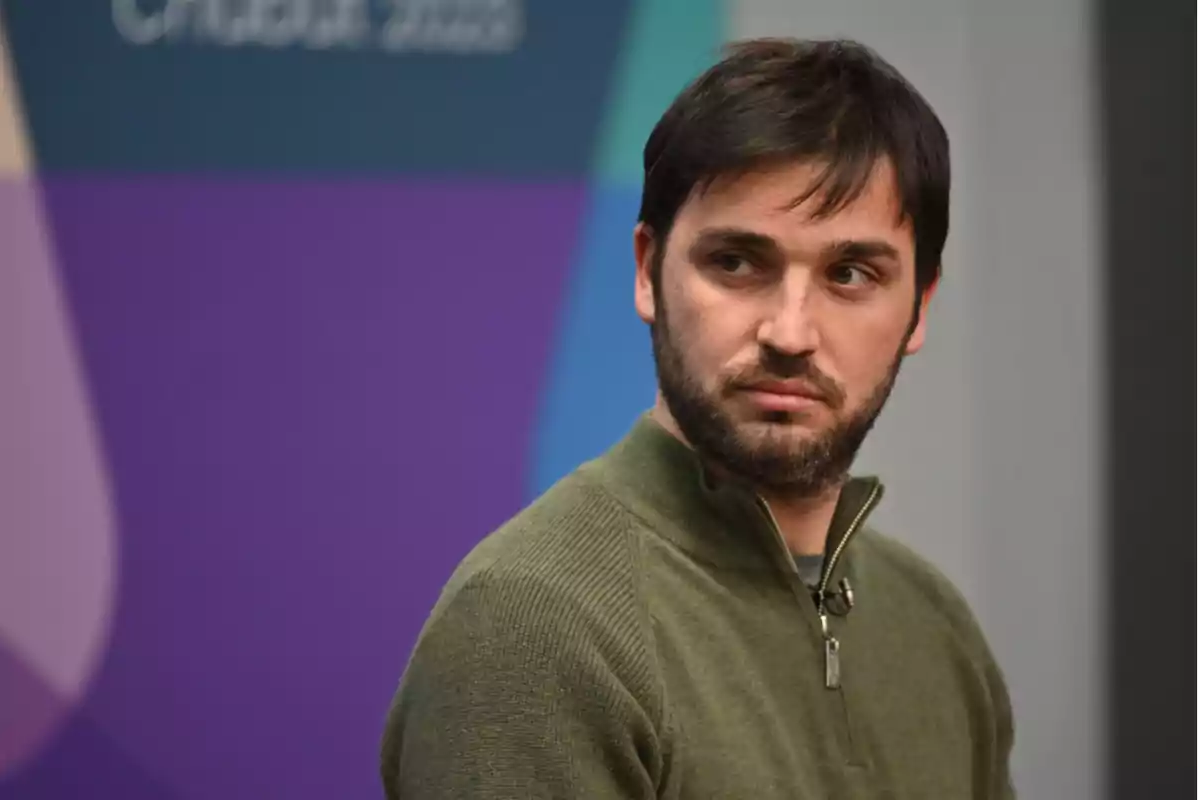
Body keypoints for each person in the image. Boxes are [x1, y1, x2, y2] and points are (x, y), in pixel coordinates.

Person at [380, 37, 1015, 799]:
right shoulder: (532, 623)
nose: (790, 331)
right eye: (738, 263)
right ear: (649, 271)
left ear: (919, 309)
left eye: (850, 274)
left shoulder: (937, 628)